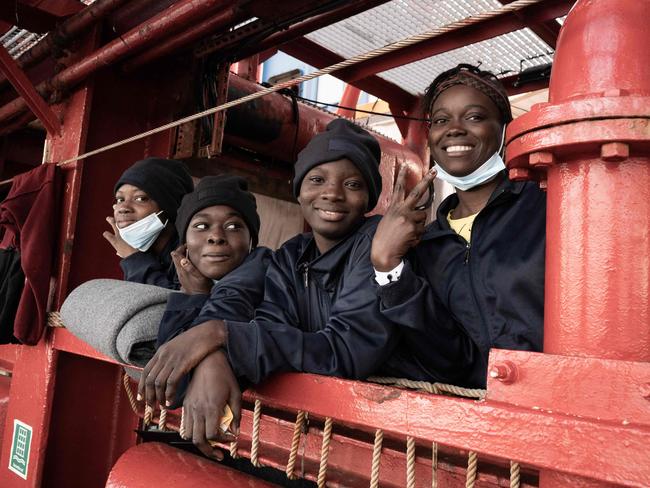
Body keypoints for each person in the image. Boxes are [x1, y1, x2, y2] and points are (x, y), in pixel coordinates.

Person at [156, 119, 399, 458]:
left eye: (353, 183)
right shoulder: (292, 255)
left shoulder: (376, 243)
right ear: (298, 190)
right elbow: (271, 328)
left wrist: (219, 335)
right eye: (317, 179)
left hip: (385, 434)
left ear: (370, 197)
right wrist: (213, 357)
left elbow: (346, 350)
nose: (332, 192)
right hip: (326, 433)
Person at [371, 64, 546, 388]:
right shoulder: (426, 244)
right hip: (472, 422)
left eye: (475, 117)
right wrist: (388, 266)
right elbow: (447, 359)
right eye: (440, 120)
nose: (453, 129)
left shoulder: (545, 207)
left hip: (557, 410)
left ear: (505, 132)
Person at [137, 175, 271, 433]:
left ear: (251, 241)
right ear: (183, 244)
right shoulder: (198, 284)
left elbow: (232, 302)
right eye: (201, 226)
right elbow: (171, 392)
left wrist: (208, 350)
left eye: (233, 227)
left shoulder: (261, 266)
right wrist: (194, 294)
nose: (217, 237)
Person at [103, 157, 194, 289]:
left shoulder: (193, 254)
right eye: (119, 199)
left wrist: (134, 258)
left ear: (169, 206)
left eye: (141, 198)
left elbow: (164, 305)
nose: (123, 208)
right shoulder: (148, 251)